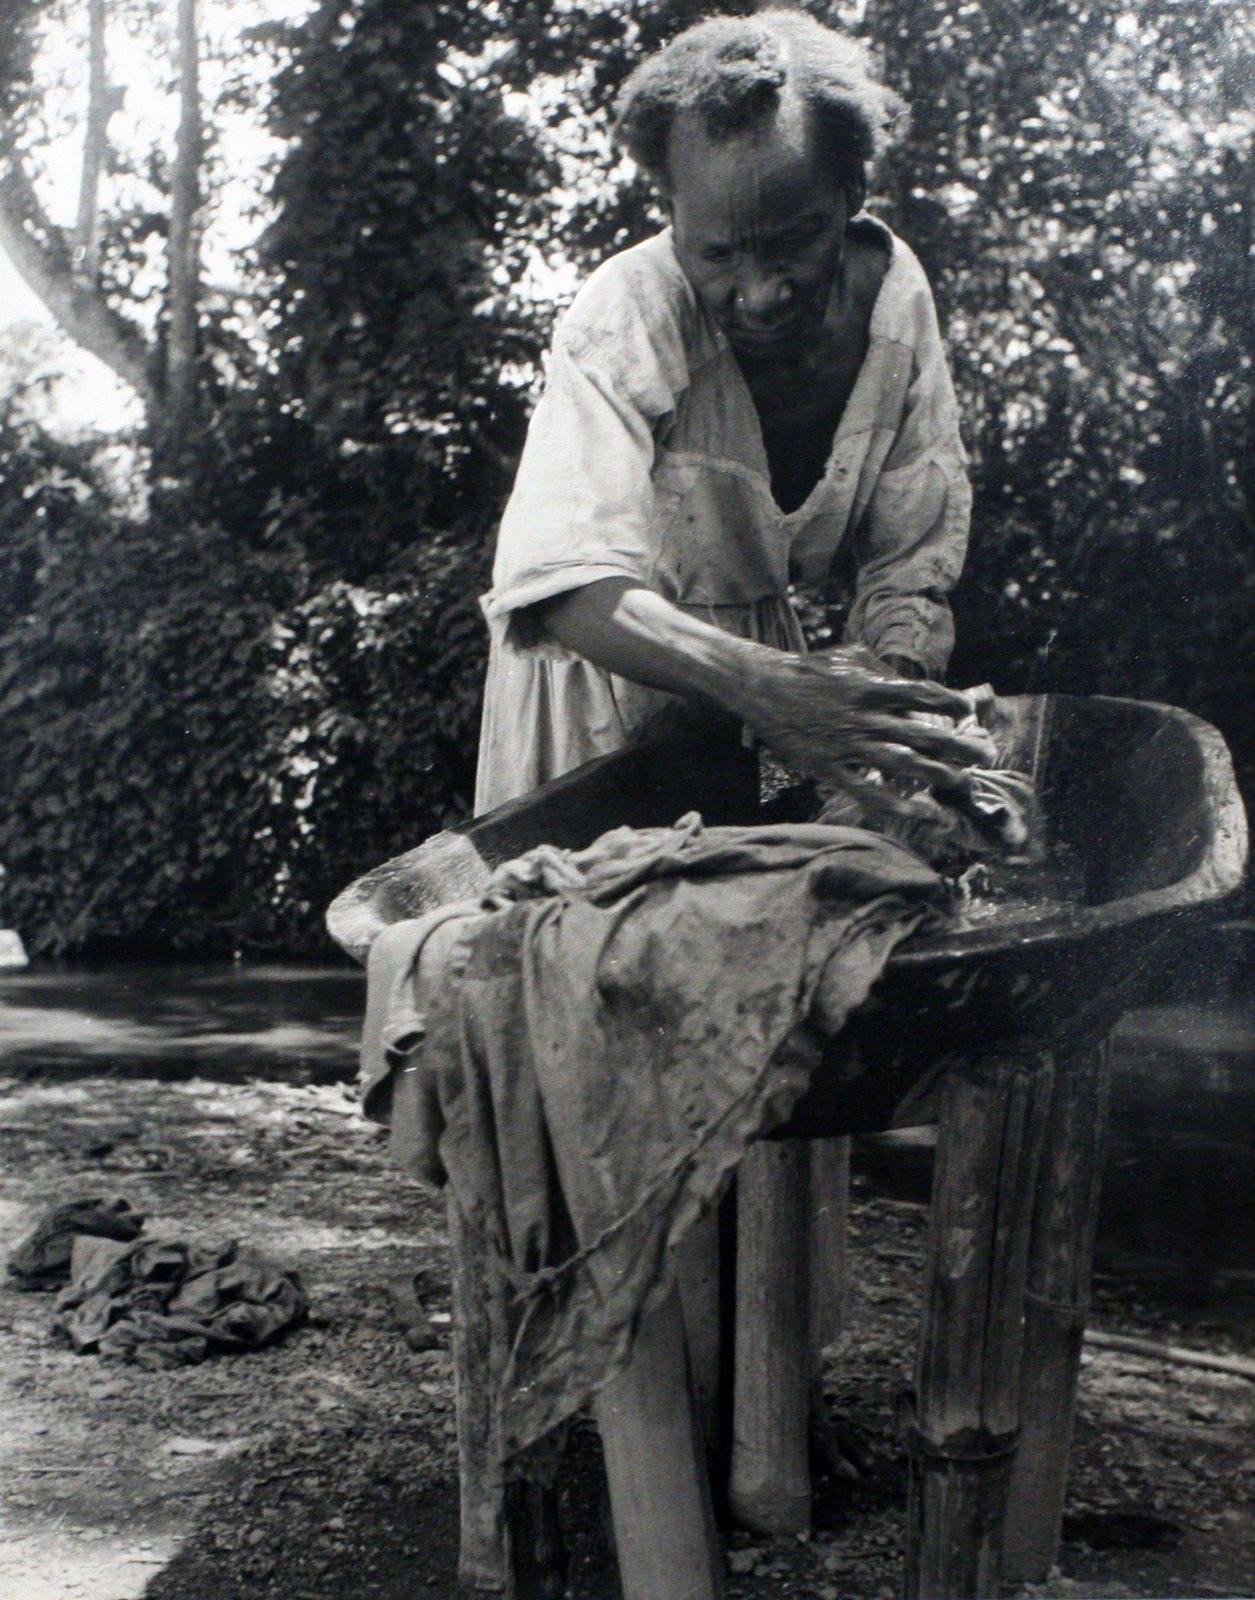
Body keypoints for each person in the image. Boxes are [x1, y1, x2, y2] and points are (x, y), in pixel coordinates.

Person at [475, 8, 991, 819]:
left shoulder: (897, 304)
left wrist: (894, 702)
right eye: (716, 253)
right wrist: (770, 688)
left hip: (773, 691)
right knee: (605, 915)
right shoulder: (630, 311)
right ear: (671, 211)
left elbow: (909, 555)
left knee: (786, 897)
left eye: (793, 242)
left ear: (849, 193)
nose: (757, 293)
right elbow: (560, 582)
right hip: (603, 691)